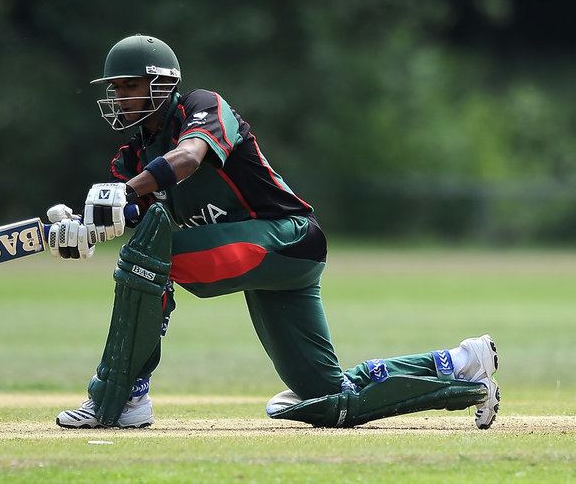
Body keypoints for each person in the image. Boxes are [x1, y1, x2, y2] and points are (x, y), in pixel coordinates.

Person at [46, 34, 500, 430]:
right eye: (116, 89)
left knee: (149, 262)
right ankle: (462, 365)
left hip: (287, 237)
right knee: (327, 397)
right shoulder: (131, 160)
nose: (121, 97)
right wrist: (84, 230)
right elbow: (138, 224)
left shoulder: (203, 107)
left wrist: (123, 195)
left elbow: (187, 159)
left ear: (162, 83)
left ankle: (123, 395)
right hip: (259, 258)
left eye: (131, 86)